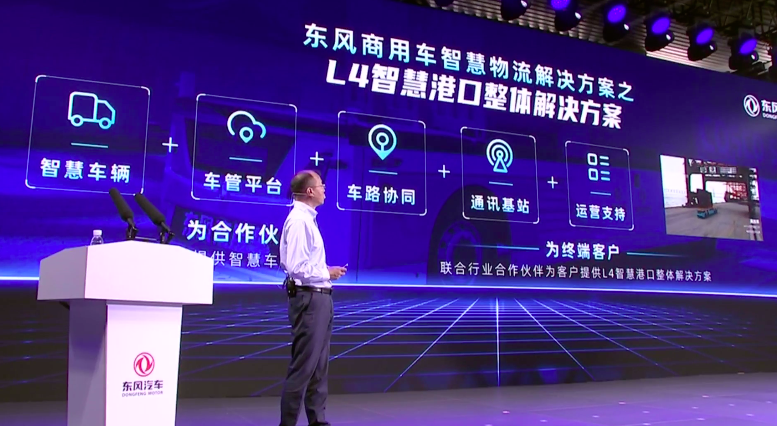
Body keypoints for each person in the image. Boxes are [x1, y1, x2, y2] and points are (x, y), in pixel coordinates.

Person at [279, 170, 347, 426]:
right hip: (309, 300)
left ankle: (318, 421)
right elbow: (296, 267)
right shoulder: (299, 221)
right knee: (304, 367)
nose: (324, 189)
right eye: (321, 186)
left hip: (319, 297)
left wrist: (326, 271)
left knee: (319, 367)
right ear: (309, 191)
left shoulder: (307, 219)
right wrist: (326, 273)